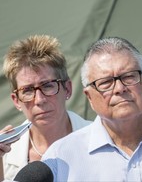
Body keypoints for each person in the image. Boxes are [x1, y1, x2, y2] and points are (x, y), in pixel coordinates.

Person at [41, 36, 142, 181]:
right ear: (89, 96)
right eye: (106, 82)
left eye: (129, 76)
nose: (120, 88)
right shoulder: (61, 157)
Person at [0, 35, 91, 180]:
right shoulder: (5, 156)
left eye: (48, 86)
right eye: (28, 90)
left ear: (67, 89)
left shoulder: (104, 140)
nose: (40, 100)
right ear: (16, 101)